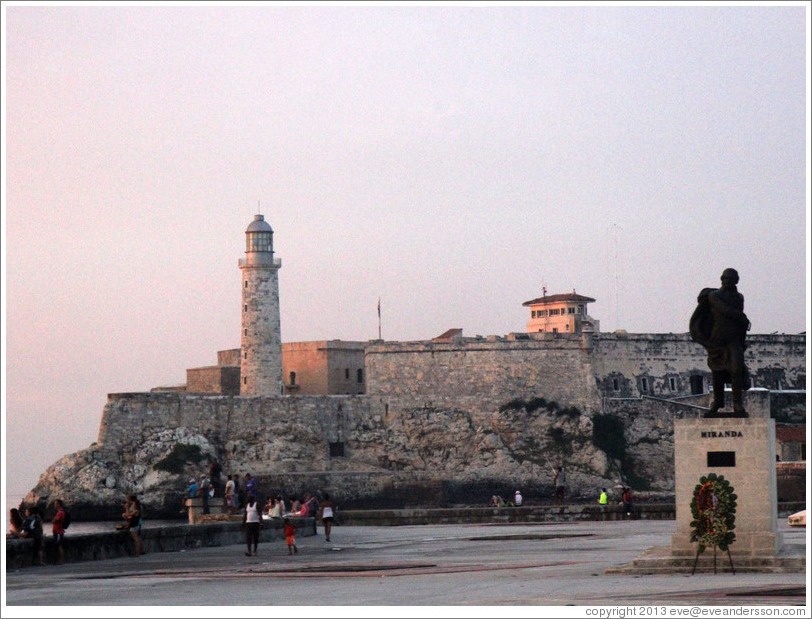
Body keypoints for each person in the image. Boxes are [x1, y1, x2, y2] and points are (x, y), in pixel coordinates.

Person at [690, 268, 750, 417]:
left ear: (736, 281)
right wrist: (742, 317)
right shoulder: (714, 296)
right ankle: (718, 402)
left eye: (731, 279)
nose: (728, 281)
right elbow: (725, 311)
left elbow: (738, 321)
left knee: (736, 369)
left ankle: (737, 403)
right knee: (717, 372)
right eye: (726, 278)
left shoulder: (739, 297)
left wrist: (742, 339)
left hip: (734, 339)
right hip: (717, 339)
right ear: (721, 279)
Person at [51, 499, 67, 565]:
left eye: (55, 504)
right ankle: (59, 560)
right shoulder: (62, 512)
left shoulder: (60, 512)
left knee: (59, 545)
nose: (54, 505)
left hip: (58, 531)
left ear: (59, 504)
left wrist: (53, 519)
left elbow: (54, 521)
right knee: (58, 545)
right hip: (58, 531)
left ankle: (60, 560)